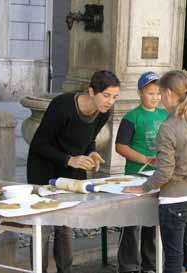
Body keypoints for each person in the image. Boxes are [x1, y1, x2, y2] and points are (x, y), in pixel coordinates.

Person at [26, 70, 120, 273]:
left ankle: (65, 270)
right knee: (43, 227)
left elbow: (90, 138)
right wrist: (70, 159)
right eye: (106, 95)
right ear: (91, 91)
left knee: (66, 226)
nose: (110, 101)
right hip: (43, 169)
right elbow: (39, 144)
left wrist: (92, 152)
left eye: (114, 97)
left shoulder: (104, 112)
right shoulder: (62, 105)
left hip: (72, 171)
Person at [123, 70, 187, 273]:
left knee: (173, 261)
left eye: (161, 94)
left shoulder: (169, 127)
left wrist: (143, 188)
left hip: (174, 200)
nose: (160, 99)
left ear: (170, 93)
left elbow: (164, 172)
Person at [115, 71, 168, 273]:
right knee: (130, 222)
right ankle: (128, 266)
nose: (154, 97)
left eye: (158, 93)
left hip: (159, 176)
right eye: (150, 92)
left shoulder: (165, 115)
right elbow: (121, 146)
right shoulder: (131, 117)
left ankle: (150, 265)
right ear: (139, 93)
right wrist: (145, 159)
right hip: (135, 175)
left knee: (152, 222)